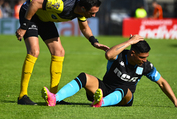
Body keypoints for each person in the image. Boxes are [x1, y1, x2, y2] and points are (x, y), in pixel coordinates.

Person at [15, 0, 109, 105]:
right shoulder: (61, 5)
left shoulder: (81, 10)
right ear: (83, 8)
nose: (94, 15)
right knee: (34, 51)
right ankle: (22, 96)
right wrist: (24, 26)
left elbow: (84, 28)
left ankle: (54, 97)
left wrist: (94, 42)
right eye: (92, 12)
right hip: (30, 14)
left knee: (59, 52)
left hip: (45, 18)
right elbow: (34, 3)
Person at [42, 35, 177, 107]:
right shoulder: (120, 54)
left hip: (124, 97)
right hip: (104, 89)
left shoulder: (146, 66)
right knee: (84, 77)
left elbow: (162, 83)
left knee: (124, 89)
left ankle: (101, 103)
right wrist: (129, 42)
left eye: (146, 57)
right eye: (142, 57)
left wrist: (176, 102)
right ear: (133, 53)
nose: (145, 60)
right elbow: (108, 55)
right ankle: (55, 98)